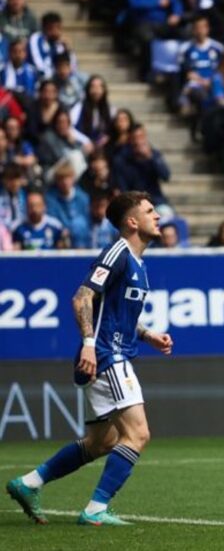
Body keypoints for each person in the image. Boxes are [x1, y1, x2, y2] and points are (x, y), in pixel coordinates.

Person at [6, 192, 172, 526]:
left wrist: (146, 333)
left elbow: (114, 312)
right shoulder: (118, 252)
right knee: (138, 434)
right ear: (131, 221)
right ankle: (96, 509)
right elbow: (82, 297)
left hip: (110, 352)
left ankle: (29, 483)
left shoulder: (138, 263)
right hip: (106, 356)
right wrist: (88, 344)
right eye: (149, 211)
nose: (157, 216)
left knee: (101, 442)